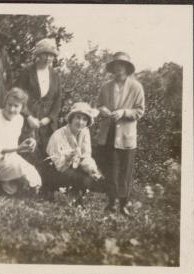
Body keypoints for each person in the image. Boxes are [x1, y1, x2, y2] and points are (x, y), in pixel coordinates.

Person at [97, 52, 145, 216]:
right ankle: (111, 204)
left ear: (127, 68)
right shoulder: (106, 87)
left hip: (126, 135)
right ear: (113, 68)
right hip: (109, 133)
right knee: (111, 169)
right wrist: (102, 109)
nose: (118, 68)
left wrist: (124, 112)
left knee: (125, 170)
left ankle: (123, 205)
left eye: (122, 65)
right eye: (116, 65)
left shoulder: (136, 87)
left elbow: (139, 111)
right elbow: (99, 106)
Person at [0, 87, 42, 195]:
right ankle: (0, 182)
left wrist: (29, 143)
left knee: (35, 178)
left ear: (22, 107)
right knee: (22, 169)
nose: (12, 109)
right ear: (5, 102)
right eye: (9, 104)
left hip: (9, 157)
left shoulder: (19, 119)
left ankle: (4, 185)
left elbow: (12, 146)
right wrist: (18, 148)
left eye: (16, 106)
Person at [42, 102, 101, 204]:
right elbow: (60, 166)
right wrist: (69, 157)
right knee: (81, 178)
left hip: (73, 166)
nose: (80, 122)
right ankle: (52, 191)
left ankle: (74, 195)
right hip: (54, 168)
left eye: (84, 119)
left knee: (90, 177)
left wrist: (91, 169)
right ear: (71, 119)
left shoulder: (84, 132)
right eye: (78, 117)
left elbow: (86, 155)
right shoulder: (59, 135)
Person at [18, 38, 62, 163]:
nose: (48, 58)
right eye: (45, 54)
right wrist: (28, 117)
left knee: (45, 156)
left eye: (51, 55)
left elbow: (58, 100)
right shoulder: (27, 72)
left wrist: (49, 119)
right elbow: (18, 96)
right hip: (27, 122)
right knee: (28, 153)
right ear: (38, 55)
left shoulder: (55, 76)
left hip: (46, 125)